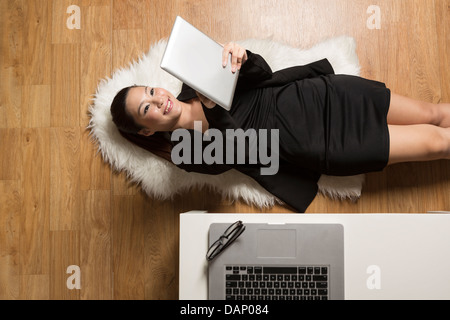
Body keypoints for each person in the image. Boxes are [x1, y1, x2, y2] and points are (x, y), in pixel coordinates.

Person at [110, 42, 450, 212]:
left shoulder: (193, 80)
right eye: (146, 109)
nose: (158, 100)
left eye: (151, 91)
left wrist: (244, 57)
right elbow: (239, 149)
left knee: (432, 113)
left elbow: (263, 77)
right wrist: (212, 108)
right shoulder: (185, 153)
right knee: (436, 143)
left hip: (317, 96)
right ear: (146, 131)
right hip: (320, 144)